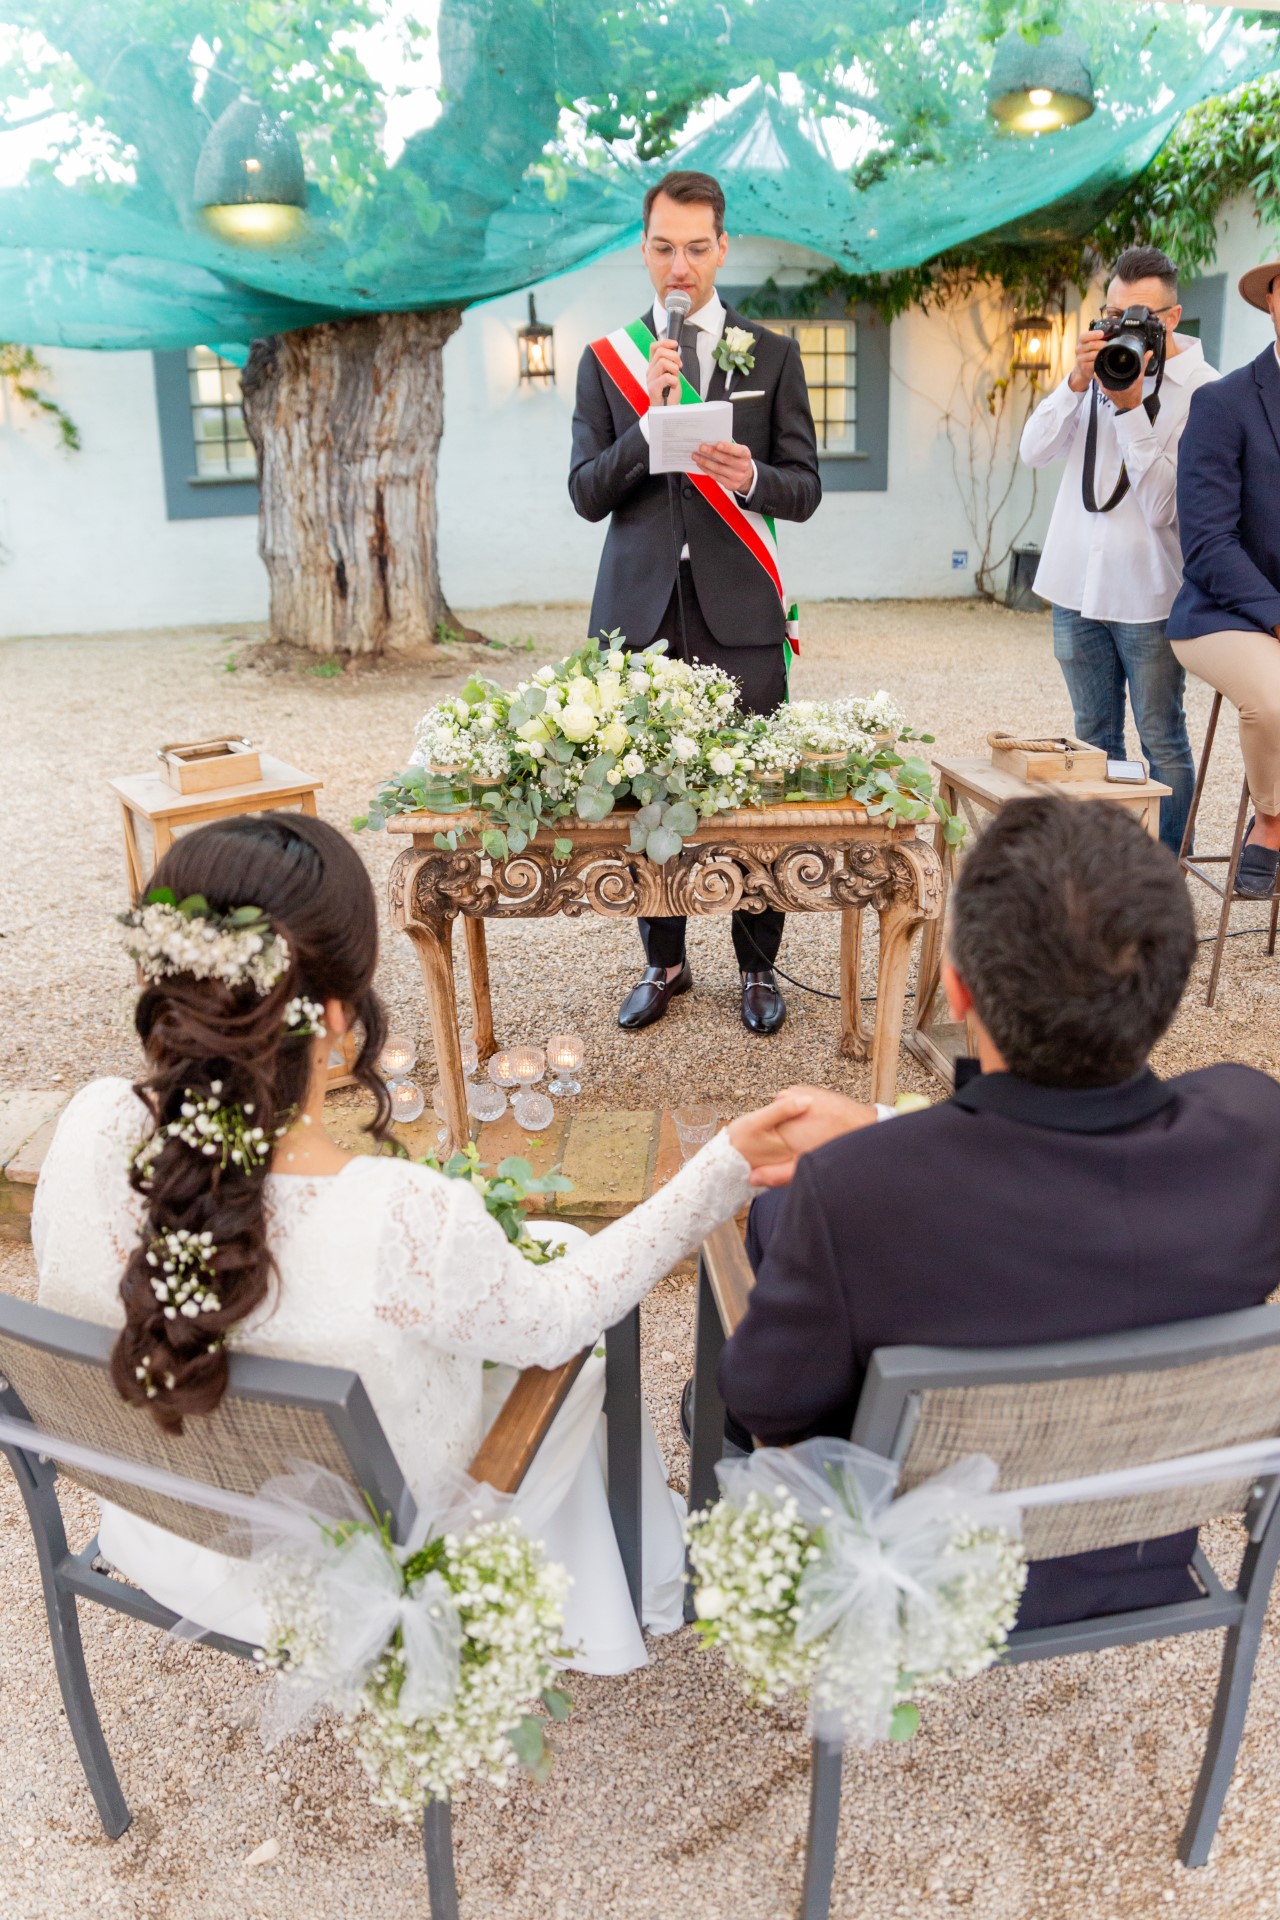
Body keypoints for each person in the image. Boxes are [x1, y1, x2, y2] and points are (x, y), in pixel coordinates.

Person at [31, 813, 816, 1675]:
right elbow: (561, 1318)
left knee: (523, 1279)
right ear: (338, 1017)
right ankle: (620, 1587)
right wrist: (723, 1165)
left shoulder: (90, 1129)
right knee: (579, 1356)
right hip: (370, 1575)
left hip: (165, 1526)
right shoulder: (399, 1217)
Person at [720, 795, 1280, 1630]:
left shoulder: (854, 1194)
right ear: (1168, 985)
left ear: (958, 989)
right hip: (1140, 1543)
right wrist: (887, 1131)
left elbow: (767, 1404)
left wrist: (879, 1148)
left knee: (768, 1234)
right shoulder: (1257, 1128)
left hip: (922, 1569)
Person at [569, 167, 821, 1037]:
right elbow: (586, 493)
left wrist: (751, 476)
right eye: (664, 248)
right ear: (644, 250)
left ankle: (756, 966)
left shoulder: (773, 353)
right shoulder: (607, 361)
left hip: (739, 605)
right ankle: (665, 962)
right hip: (639, 611)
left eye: (697, 248)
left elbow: (805, 488)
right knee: (647, 794)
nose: (680, 267)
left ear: (722, 249)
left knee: (752, 791)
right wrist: (645, 427)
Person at [1020, 246, 1218, 855]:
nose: (1123, 327)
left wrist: (1131, 411)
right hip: (1074, 585)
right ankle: (1105, 874)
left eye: (1140, 317)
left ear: (1172, 317)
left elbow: (1164, 507)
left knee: (1162, 739)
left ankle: (1164, 870)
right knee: (1092, 739)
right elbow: (1033, 451)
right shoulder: (1095, 370)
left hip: (1148, 594)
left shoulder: (1205, 391)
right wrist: (1077, 382)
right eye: (1112, 314)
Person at [1169, 256, 1280, 898]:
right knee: (1274, 699)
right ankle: (1270, 824)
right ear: (1271, 302)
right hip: (1221, 612)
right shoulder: (1221, 402)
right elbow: (1208, 544)